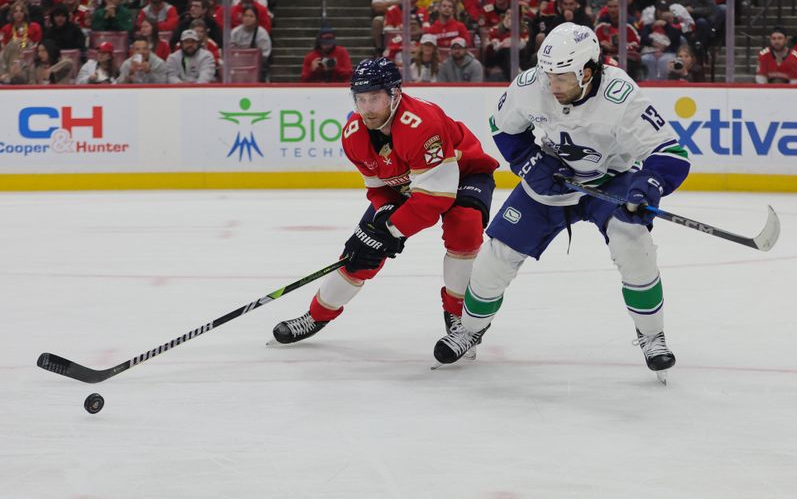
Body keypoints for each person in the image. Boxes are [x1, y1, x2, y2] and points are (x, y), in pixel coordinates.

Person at [432, 23, 691, 384]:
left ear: (588, 71)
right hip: (552, 180)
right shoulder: (532, 84)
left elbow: (671, 153)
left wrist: (648, 184)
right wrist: (527, 161)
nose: (552, 87)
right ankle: (470, 331)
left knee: (633, 243)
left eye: (563, 78)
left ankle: (652, 335)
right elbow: (503, 127)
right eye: (548, 75)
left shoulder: (621, 96)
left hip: (611, 180)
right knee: (498, 254)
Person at [271, 57, 499, 350]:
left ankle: (460, 321)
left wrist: (391, 231)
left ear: (395, 94)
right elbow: (378, 188)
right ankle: (316, 316)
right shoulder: (353, 135)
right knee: (360, 252)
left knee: (463, 227)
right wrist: (384, 213)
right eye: (361, 99)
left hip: (464, 174)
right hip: (409, 185)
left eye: (375, 98)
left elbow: (433, 202)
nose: (367, 108)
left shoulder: (422, 124)